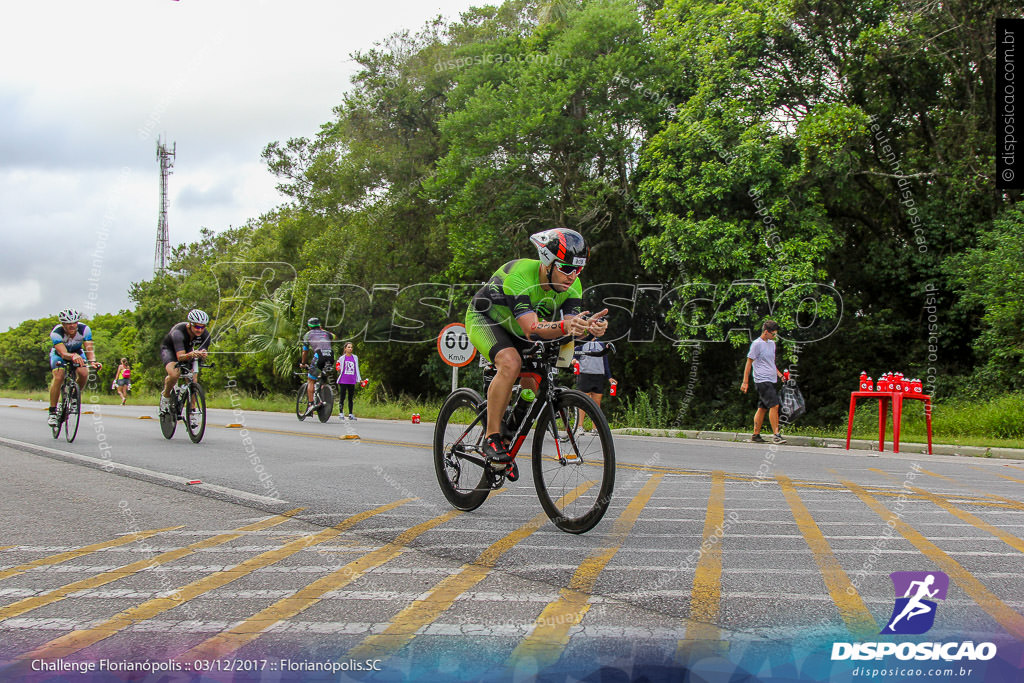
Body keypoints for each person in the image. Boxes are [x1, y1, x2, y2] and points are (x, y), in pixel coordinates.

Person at [465, 228, 608, 468]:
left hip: (521, 329)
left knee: (535, 379)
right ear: (547, 261)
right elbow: (532, 328)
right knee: (511, 363)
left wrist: (587, 326)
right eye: (566, 268)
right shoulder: (520, 275)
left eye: (578, 269)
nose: (573, 276)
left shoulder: (573, 286)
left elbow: (568, 324)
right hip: (487, 320)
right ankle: (491, 437)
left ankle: (509, 428)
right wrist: (566, 325)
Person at [47, 309, 102, 427]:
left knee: (84, 373)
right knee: (59, 376)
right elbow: (62, 353)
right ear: (63, 324)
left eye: (74, 322)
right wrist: (72, 356)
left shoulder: (85, 330)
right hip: (60, 354)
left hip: (77, 352)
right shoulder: (56, 333)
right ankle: (52, 411)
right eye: (68, 323)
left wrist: (93, 361)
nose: (72, 326)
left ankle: (73, 397)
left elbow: (89, 349)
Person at [740, 319, 787, 444]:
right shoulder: (756, 344)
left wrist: (780, 375)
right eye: (773, 334)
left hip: (771, 379)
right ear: (766, 332)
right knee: (774, 405)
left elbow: (771, 363)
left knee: (762, 408)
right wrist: (745, 382)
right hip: (762, 379)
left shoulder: (772, 344)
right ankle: (776, 434)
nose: (774, 336)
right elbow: (749, 363)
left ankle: (756, 435)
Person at [159, 309, 211, 416]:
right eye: (197, 326)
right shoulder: (178, 333)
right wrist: (191, 354)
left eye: (202, 327)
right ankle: (165, 396)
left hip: (186, 351)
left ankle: (192, 410)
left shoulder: (205, 335)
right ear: (190, 325)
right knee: (174, 374)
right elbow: (180, 357)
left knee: (193, 378)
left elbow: (202, 350)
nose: (199, 330)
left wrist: (203, 353)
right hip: (170, 350)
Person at [575, 338, 614, 435]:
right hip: (585, 374)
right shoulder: (582, 343)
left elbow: (605, 362)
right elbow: (574, 355)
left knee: (597, 404)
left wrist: (609, 377)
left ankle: (595, 428)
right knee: (583, 402)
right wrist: (574, 361)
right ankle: (579, 426)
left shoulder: (601, 344)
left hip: (598, 375)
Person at [299, 317, 334, 416]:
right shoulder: (326, 333)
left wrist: (303, 363)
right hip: (330, 356)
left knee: (311, 380)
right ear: (319, 325)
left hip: (319, 356)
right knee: (322, 378)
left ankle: (310, 404)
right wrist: (323, 330)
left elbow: (305, 351)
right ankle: (321, 395)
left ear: (309, 326)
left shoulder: (308, 335)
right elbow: (334, 336)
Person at [336, 342, 361, 420]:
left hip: (352, 380)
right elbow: (338, 367)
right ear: (345, 349)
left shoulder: (355, 357)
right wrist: (338, 369)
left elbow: (357, 368)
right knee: (342, 397)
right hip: (343, 380)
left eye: (351, 347)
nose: (350, 349)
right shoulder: (342, 358)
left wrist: (359, 379)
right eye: (349, 347)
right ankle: (341, 413)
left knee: (351, 397)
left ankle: (350, 414)